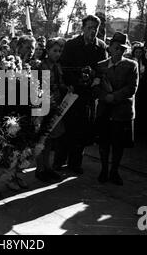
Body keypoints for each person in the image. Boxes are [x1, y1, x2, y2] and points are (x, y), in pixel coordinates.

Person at [60, 15, 108, 175]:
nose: (92, 30)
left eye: (95, 28)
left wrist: (95, 78)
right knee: (67, 129)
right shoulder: (71, 45)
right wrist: (76, 81)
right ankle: (59, 161)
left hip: (88, 95)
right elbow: (64, 68)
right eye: (89, 27)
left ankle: (75, 163)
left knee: (82, 130)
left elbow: (102, 70)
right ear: (83, 28)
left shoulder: (101, 47)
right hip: (71, 92)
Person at [94, 32, 139, 186]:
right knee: (104, 142)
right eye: (116, 47)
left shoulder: (131, 65)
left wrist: (114, 97)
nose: (119, 51)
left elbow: (132, 87)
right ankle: (104, 170)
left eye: (122, 48)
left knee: (118, 144)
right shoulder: (101, 66)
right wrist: (104, 96)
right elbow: (95, 86)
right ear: (110, 48)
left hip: (122, 111)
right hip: (104, 110)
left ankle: (114, 171)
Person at [35, 38, 68, 183]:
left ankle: (48, 167)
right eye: (54, 50)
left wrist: (66, 89)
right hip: (43, 105)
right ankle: (40, 168)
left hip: (55, 105)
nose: (57, 53)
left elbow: (60, 83)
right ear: (47, 51)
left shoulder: (58, 66)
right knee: (41, 139)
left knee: (49, 138)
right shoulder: (41, 66)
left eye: (60, 51)